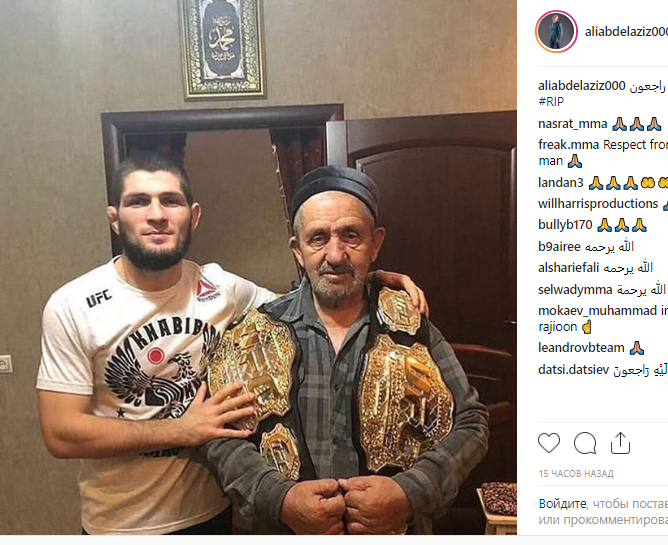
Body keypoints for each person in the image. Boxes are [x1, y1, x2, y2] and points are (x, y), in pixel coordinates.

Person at [36, 154, 427, 535]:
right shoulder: (73, 305)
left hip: (213, 514)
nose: (156, 214)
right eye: (138, 201)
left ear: (193, 216)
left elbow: (307, 302)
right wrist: (181, 430)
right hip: (120, 525)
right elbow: (61, 433)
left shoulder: (222, 288)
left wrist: (368, 280)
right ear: (114, 218)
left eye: (170, 200)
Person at [198, 166, 489, 534]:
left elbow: (471, 421)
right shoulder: (254, 333)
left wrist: (409, 493)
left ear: (376, 244)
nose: (335, 255)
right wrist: (279, 499)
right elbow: (220, 435)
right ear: (298, 250)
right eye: (318, 238)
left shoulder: (414, 327)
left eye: (351, 236)